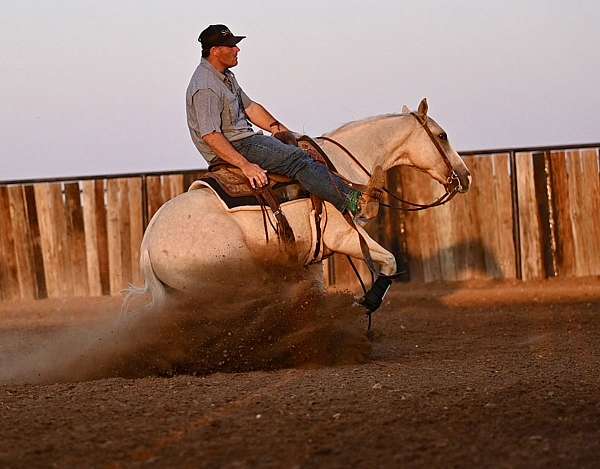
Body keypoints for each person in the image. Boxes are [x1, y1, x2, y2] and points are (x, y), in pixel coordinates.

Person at [185, 24, 382, 219]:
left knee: (303, 146)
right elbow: (210, 136)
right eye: (231, 46)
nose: (238, 49)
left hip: (244, 140)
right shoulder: (205, 87)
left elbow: (250, 107)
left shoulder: (225, 76)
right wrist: (246, 166)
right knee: (297, 160)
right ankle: (353, 202)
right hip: (238, 145)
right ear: (215, 51)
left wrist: (279, 129)